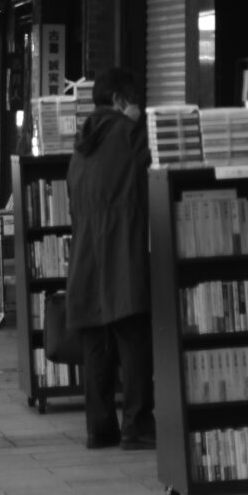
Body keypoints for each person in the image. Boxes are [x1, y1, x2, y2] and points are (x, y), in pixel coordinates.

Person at [64, 65, 155, 450]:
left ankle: (99, 429)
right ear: (119, 100)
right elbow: (155, 176)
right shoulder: (130, 134)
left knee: (97, 347)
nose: (138, 108)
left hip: (85, 257)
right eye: (134, 102)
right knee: (133, 342)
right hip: (123, 254)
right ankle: (137, 425)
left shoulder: (81, 145)